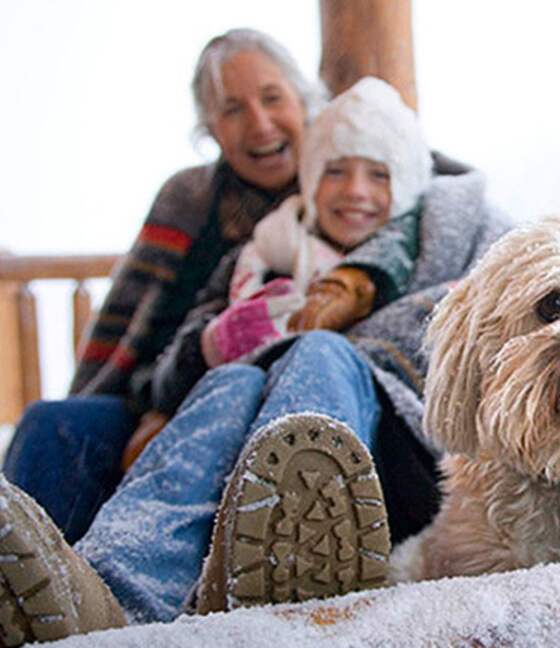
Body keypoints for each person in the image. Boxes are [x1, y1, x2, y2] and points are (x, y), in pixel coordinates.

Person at [0, 77, 512, 645]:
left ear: (409, 182)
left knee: (317, 350)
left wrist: (330, 324)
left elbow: (454, 327)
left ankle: (294, 541)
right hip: (248, 423)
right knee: (232, 381)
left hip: (386, 445)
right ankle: (114, 590)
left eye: (379, 174)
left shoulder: (435, 241)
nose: (355, 191)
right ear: (311, 181)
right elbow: (174, 369)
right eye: (335, 172)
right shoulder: (263, 254)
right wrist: (217, 342)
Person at [1, 28, 324, 544]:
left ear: (304, 102)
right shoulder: (188, 195)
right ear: (211, 129)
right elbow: (129, 318)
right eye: (232, 109)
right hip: (154, 390)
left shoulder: (343, 184)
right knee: (50, 426)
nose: (260, 124)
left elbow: (429, 174)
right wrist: (153, 408)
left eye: (272, 98)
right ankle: (29, 597)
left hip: (251, 404)